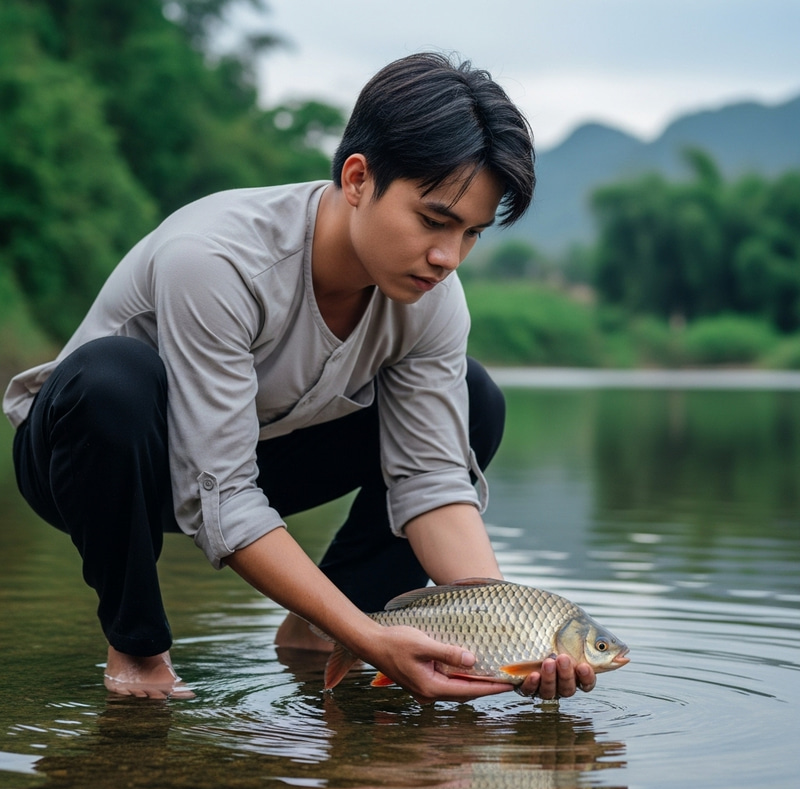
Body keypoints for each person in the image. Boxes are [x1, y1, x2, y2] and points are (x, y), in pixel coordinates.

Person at [4, 52, 596, 704]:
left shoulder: (434, 300)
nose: (447, 257)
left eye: (472, 233)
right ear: (357, 178)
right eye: (433, 220)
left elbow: (431, 484)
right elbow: (222, 492)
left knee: (476, 400)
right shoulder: (216, 258)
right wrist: (370, 639)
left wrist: (509, 643)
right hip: (97, 463)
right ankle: (138, 652)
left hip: (260, 456)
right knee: (112, 380)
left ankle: (322, 632)